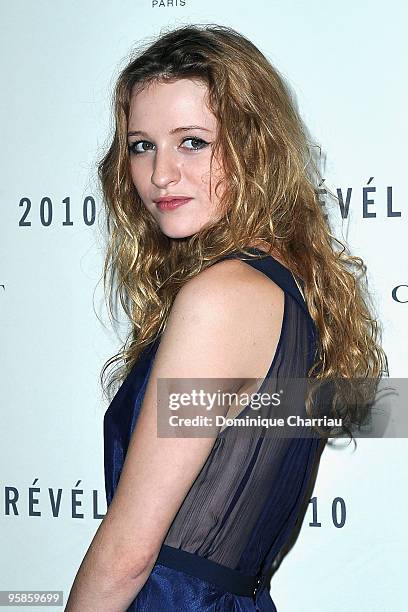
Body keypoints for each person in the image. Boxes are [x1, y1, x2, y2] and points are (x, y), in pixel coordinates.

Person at [65, 24, 388, 611]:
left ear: (253, 145)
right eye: (142, 145)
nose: (161, 174)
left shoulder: (220, 298)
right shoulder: (281, 285)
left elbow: (127, 555)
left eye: (192, 142)